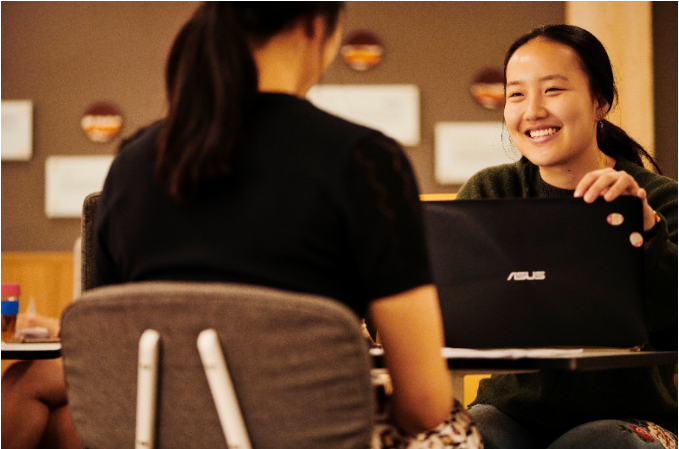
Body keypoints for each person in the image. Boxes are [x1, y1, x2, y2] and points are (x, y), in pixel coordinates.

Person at [94, 3, 481, 448]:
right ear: (317, 26)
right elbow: (424, 405)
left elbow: (110, 359)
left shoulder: (129, 168)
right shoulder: (365, 162)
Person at [458, 24, 678, 449]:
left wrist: (648, 231)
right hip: (508, 414)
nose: (533, 110)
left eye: (553, 90)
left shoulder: (660, 198)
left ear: (600, 102)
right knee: (464, 439)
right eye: (516, 94)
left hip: (631, 419)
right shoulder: (490, 193)